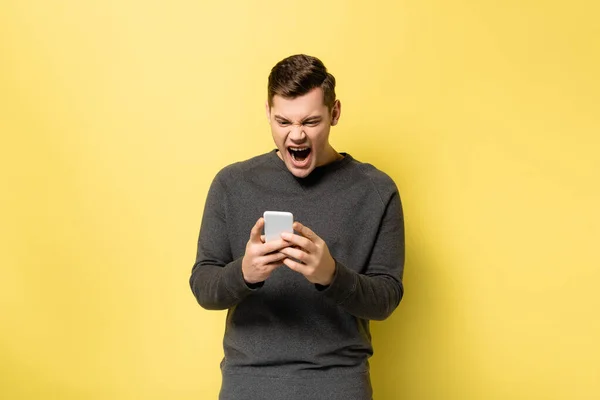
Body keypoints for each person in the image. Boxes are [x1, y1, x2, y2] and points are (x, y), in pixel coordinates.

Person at [189, 54, 405, 400]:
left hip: (339, 385)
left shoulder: (376, 191)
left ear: (335, 113)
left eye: (310, 121)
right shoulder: (232, 184)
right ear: (268, 114)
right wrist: (245, 272)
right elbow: (202, 285)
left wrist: (332, 275)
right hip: (248, 384)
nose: (297, 135)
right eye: (283, 122)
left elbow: (386, 299)